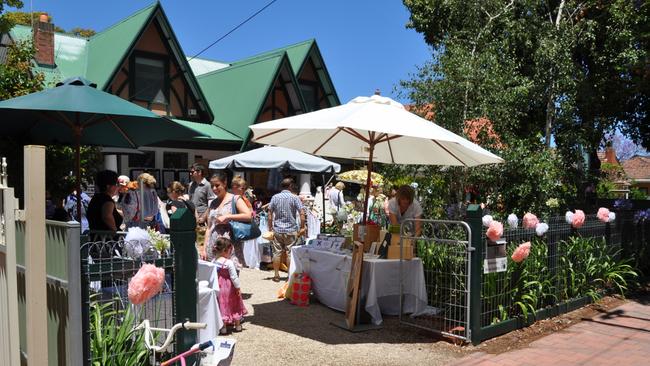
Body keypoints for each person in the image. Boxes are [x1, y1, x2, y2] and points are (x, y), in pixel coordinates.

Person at [201, 172, 253, 264]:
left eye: (217, 185)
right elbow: (209, 228)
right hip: (214, 247)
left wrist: (228, 216)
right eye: (212, 186)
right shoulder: (213, 203)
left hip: (229, 246)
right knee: (214, 276)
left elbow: (248, 215)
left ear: (224, 183)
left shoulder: (234, 199)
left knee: (230, 276)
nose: (214, 189)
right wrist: (204, 249)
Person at [268, 178, 305, 282]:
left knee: (276, 253)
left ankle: (276, 275)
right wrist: (302, 227)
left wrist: (270, 227)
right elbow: (302, 213)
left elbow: (270, 213)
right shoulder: (294, 197)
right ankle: (289, 275)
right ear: (290, 186)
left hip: (278, 229)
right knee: (289, 253)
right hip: (291, 229)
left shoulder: (275, 197)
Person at [213, 237, 247, 334]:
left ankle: (223, 327)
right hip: (229, 287)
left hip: (219, 286)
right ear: (225, 250)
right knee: (234, 304)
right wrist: (238, 287)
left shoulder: (214, 261)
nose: (230, 253)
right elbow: (234, 277)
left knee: (222, 305)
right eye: (230, 251)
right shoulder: (228, 263)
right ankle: (237, 325)